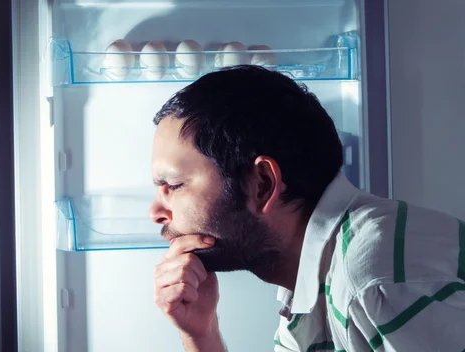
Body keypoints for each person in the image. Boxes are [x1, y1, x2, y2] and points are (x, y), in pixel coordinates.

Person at [149, 65, 465, 352]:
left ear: (261, 185)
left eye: (173, 185)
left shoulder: (374, 278)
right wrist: (201, 334)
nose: (156, 212)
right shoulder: (311, 285)